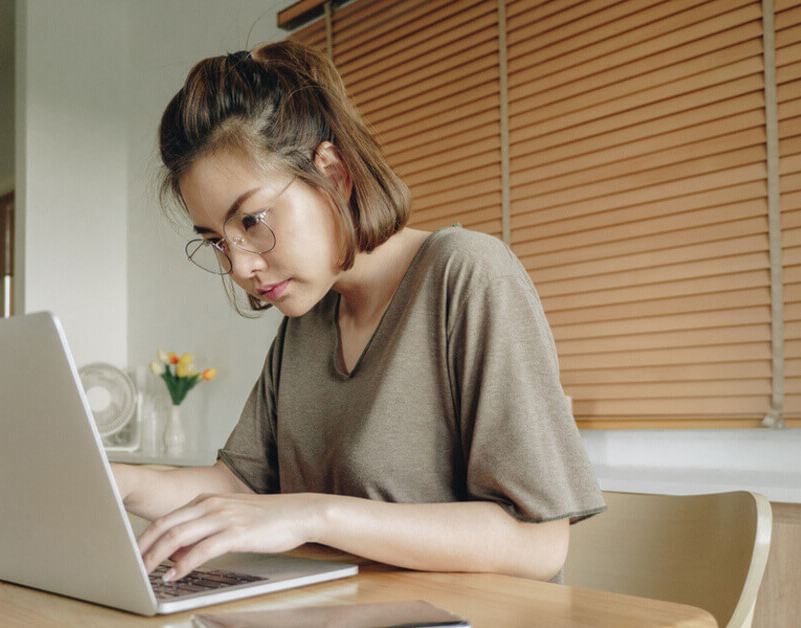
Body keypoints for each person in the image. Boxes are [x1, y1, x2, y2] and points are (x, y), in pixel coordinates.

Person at [110, 40, 605, 586]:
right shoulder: (308, 319)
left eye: (250, 221)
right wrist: (117, 481)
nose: (239, 266)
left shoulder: (468, 274)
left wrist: (312, 512)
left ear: (334, 173)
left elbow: (539, 543)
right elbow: (239, 486)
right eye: (217, 242)